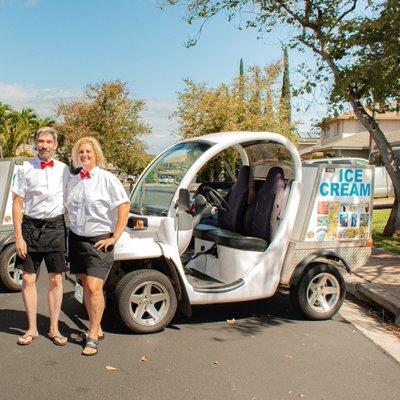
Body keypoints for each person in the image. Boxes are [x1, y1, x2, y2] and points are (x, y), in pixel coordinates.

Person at [66, 137, 130, 356]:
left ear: (96, 155)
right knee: (85, 285)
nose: (84, 155)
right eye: (81, 152)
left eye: (88, 152)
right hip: (76, 238)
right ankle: (97, 327)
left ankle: (92, 335)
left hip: (99, 241)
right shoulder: (73, 180)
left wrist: (115, 236)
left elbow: (124, 206)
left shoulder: (107, 179)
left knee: (94, 287)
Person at [12, 127, 70, 346]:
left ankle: (54, 329)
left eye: (48, 141)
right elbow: (17, 203)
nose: (44, 145)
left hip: (55, 227)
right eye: (40, 141)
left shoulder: (64, 169)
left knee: (56, 279)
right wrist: (19, 237)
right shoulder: (24, 168)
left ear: (55, 145)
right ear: (36, 143)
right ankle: (32, 328)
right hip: (30, 228)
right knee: (28, 279)